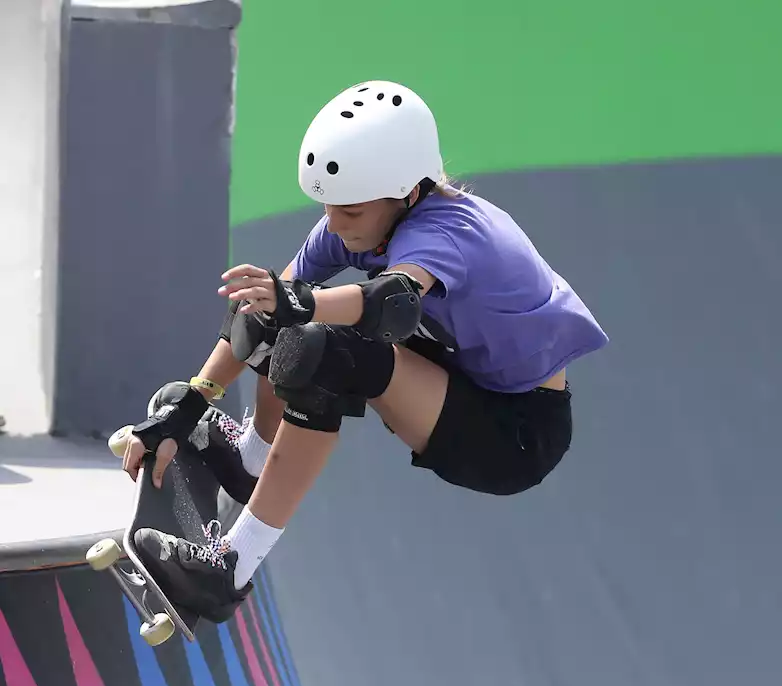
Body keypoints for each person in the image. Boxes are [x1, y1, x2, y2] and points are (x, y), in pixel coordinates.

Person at [120, 80, 608, 622]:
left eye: (349, 210)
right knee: (284, 319)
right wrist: (191, 399)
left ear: (406, 192)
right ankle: (249, 460)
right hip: (461, 381)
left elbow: (391, 303)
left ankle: (230, 567)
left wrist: (299, 303)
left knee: (324, 348)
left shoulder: (449, 231)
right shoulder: (361, 217)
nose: (334, 223)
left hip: (515, 433)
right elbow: (262, 313)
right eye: (328, 207)